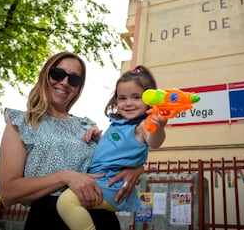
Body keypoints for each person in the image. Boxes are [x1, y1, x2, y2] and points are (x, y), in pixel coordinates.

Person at [0, 52, 144, 230]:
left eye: (74, 79)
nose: (65, 83)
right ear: (46, 74)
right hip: (48, 220)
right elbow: (8, 193)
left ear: (78, 87)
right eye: (58, 74)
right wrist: (65, 177)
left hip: (102, 218)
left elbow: (120, 154)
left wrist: (137, 169)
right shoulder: (20, 123)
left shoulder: (87, 125)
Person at [57, 65, 168, 230]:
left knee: (66, 203)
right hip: (102, 180)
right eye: (122, 98)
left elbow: (154, 142)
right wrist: (99, 138)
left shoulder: (142, 125)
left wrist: (158, 128)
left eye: (136, 97)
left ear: (149, 99)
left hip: (111, 185)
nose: (128, 103)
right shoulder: (118, 124)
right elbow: (115, 149)